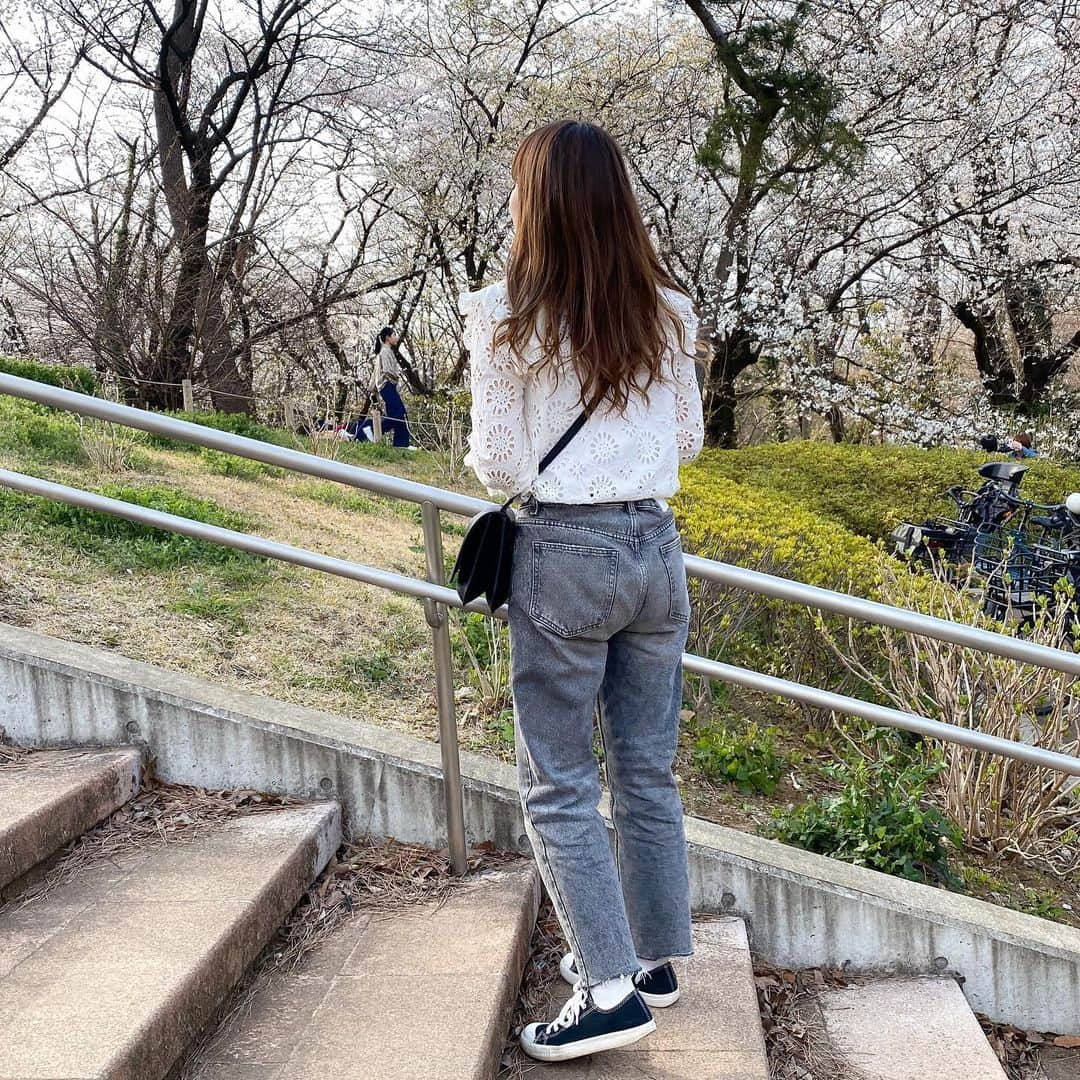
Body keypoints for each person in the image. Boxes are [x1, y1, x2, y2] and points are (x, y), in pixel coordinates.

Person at [459, 119, 704, 1064]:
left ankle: (606, 994)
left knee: (557, 779)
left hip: (566, 549)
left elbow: (501, 463)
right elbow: (683, 441)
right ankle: (651, 962)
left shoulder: (504, 312)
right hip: (657, 548)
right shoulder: (667, 311)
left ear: (536, 203)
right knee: (645, 769)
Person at [370, 326, 413, 448]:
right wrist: (397, 376)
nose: (396, 337)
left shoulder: (386, 351)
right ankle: (372, 430)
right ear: (388, 338)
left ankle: (401, 445)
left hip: (388, 386)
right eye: (394, 335)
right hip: (387, 386)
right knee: (399, 415)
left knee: (399, 415)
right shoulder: (385, 352)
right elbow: (387, 371)